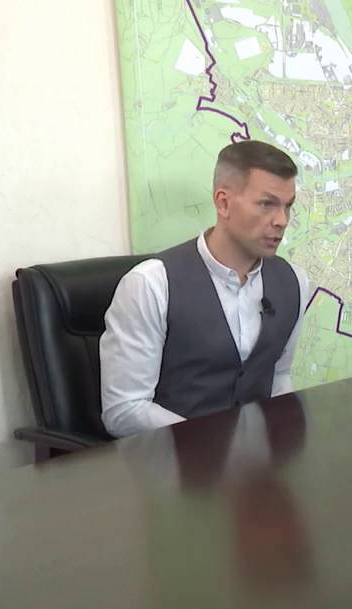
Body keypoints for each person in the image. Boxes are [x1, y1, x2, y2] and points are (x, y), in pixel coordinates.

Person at [100, 140, 312, 438]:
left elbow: (279, 376)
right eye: (267, 204)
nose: (282, 221)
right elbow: (124, 410)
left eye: (288, 206)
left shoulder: (294, 282)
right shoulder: (151, 284)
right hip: (175, 458)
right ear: (223, 203)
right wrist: (214, 443)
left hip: (260, 460)